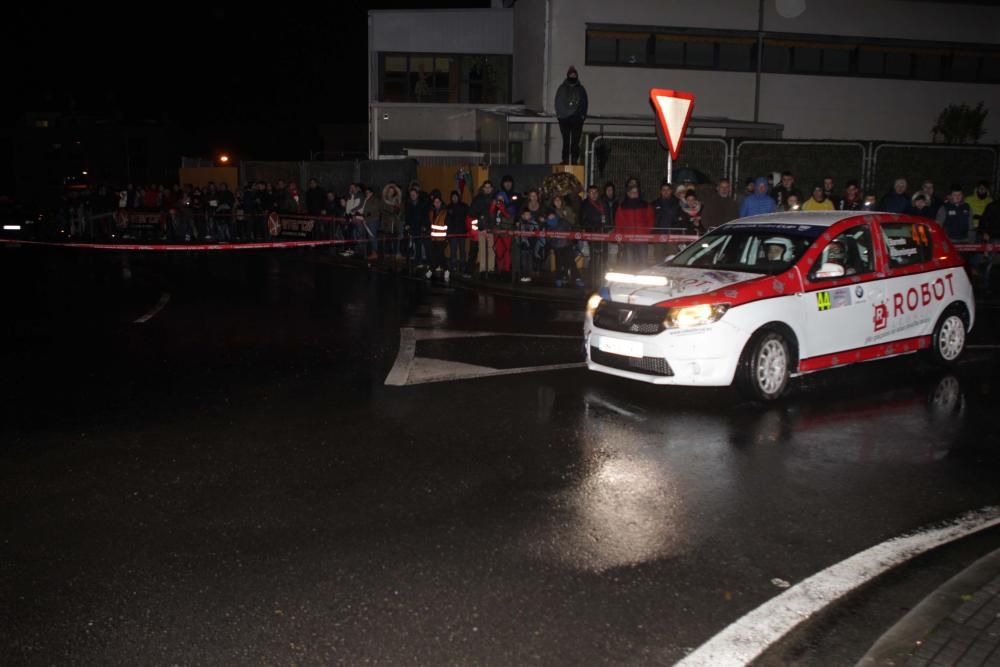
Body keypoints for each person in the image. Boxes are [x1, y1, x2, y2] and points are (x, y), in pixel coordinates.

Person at [554, 66, 588, 165]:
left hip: (577, 118)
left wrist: (582, 116)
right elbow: (558, 102)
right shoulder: (562, 88)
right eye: (571, 75)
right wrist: (560, 115)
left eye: (574, 75)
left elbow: (584, 103)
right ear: (568, 75)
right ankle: (565, 159)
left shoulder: (581, 89)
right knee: (566, 140)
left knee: (575, 141)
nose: (573, 76)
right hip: (564, 118)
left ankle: (574, 159)